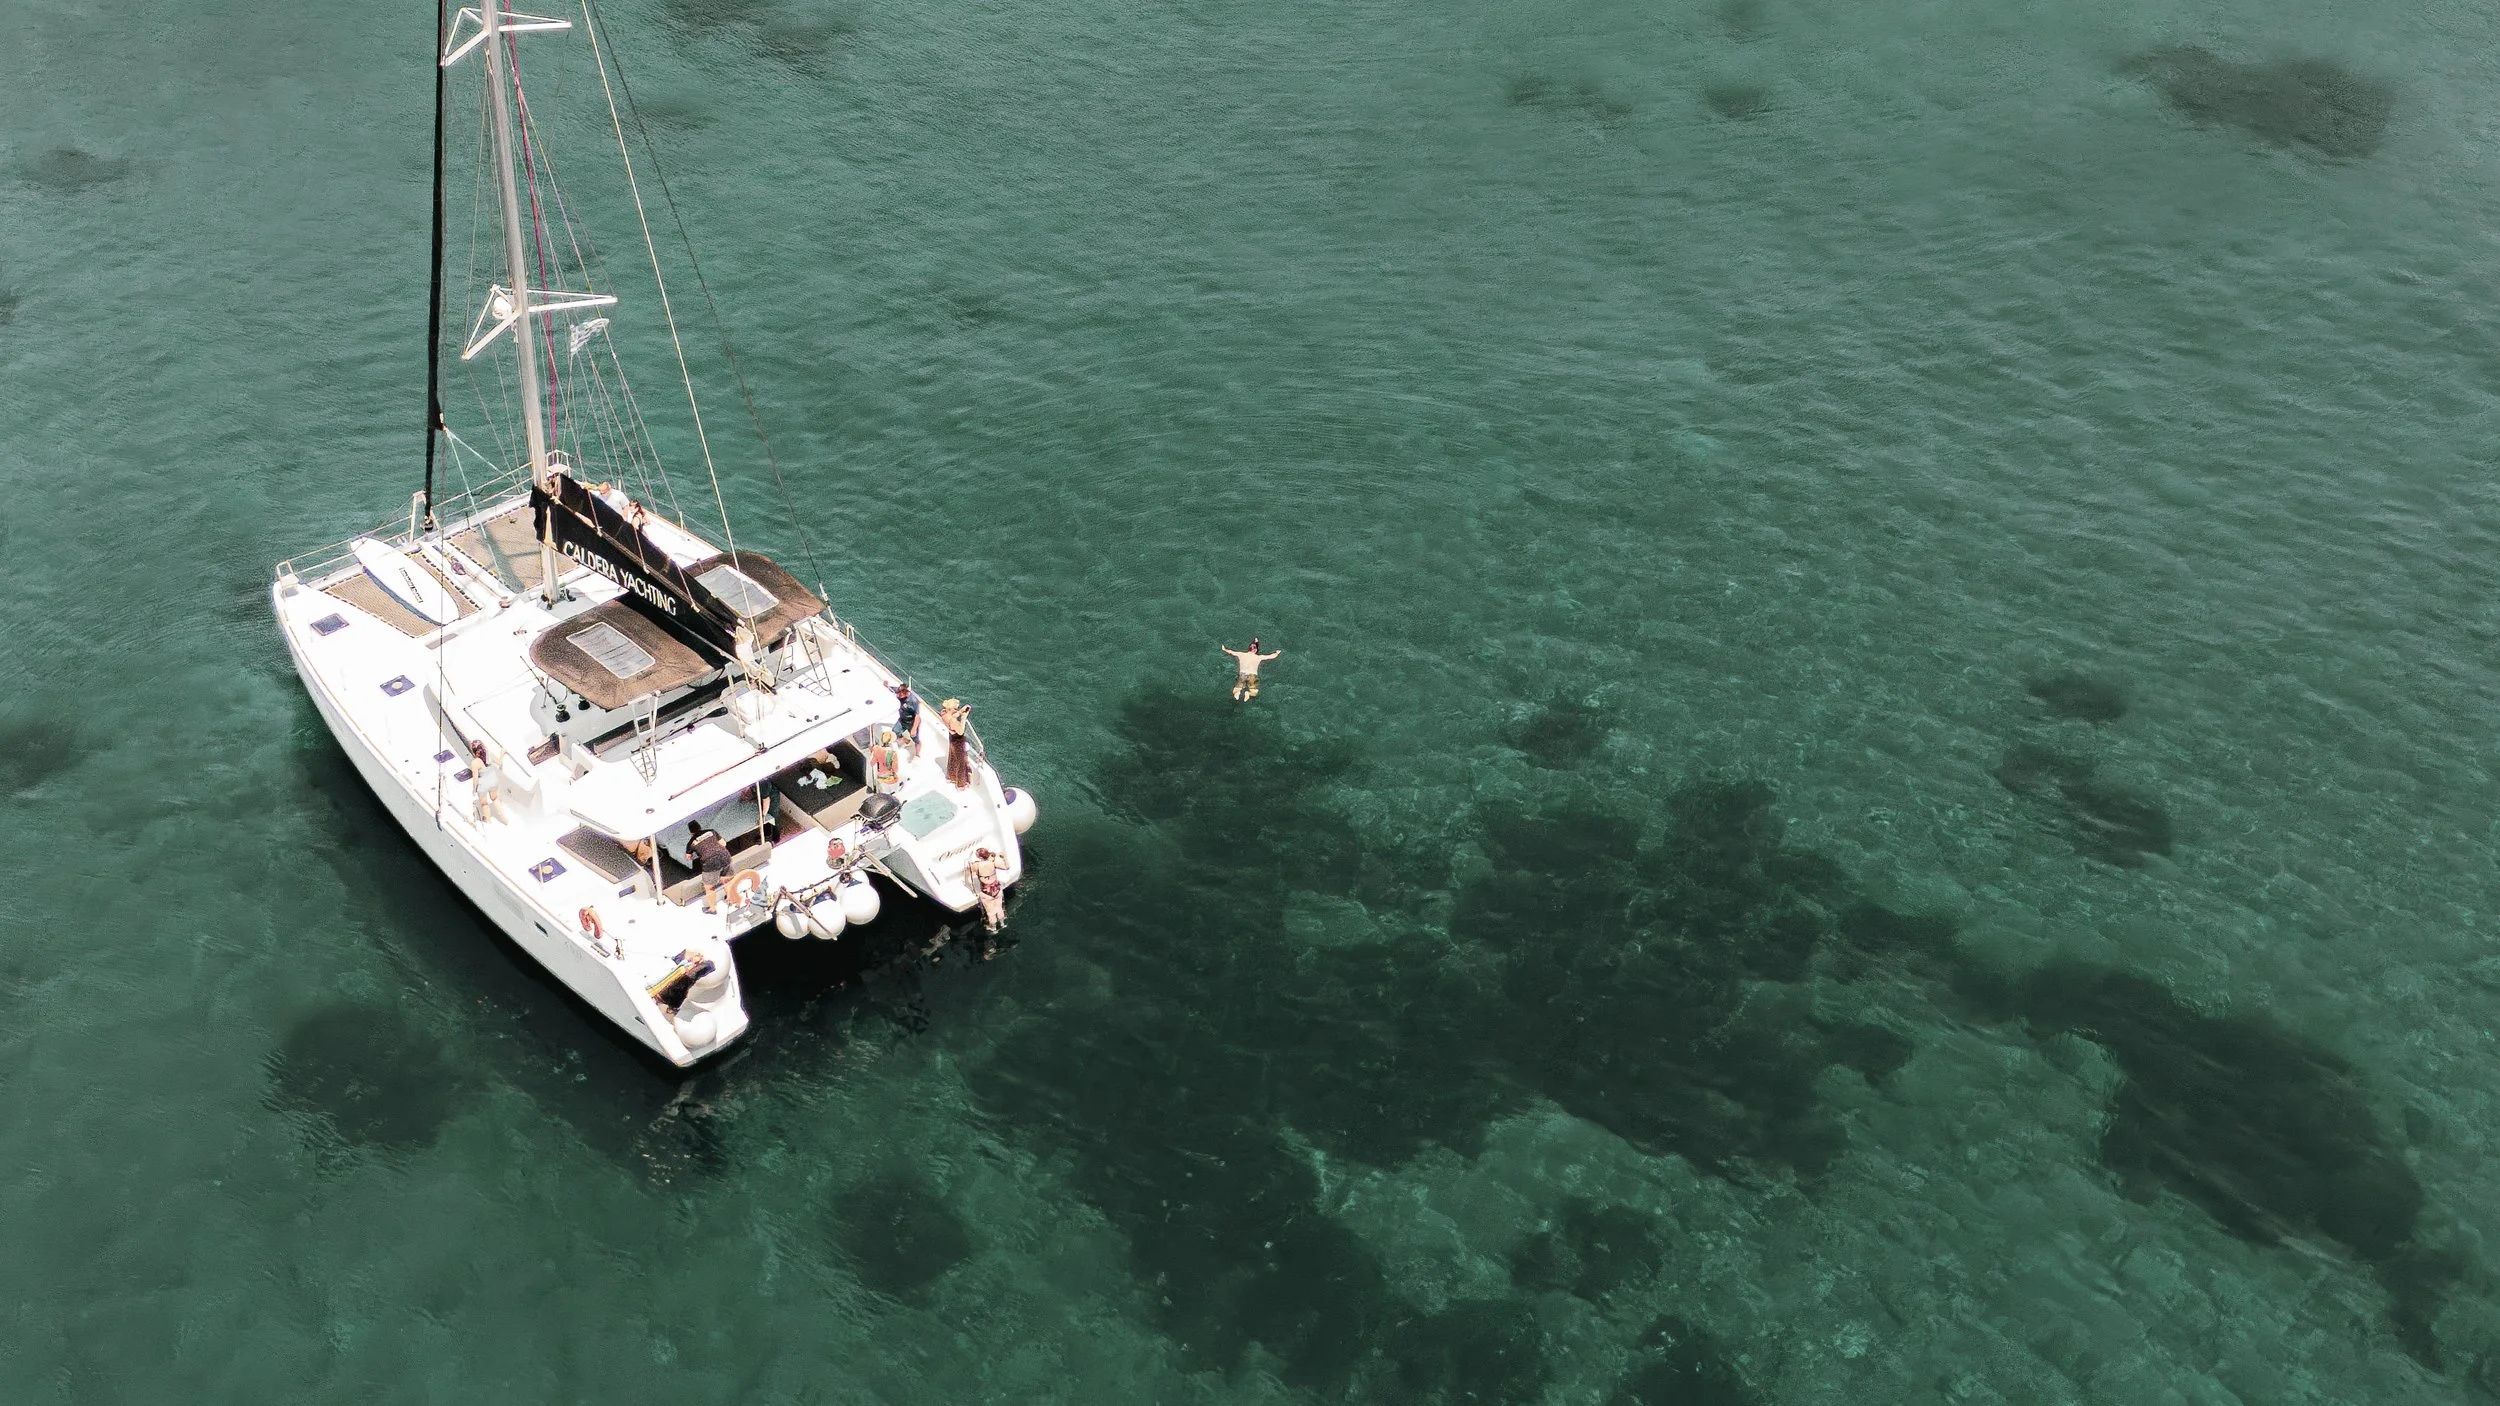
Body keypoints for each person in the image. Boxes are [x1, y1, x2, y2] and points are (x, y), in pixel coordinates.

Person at [688, 819, 735, 913]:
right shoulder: (711, 831)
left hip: (710, 862)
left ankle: (712, 909)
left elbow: (689, 857)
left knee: (709, 887)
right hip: (724, 856)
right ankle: (731, 899)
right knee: (726, 880)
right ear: (700, 827)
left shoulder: (691, 842)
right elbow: (724, 844)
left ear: (691, 833)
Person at [1220, 636, 1282, 702]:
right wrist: (1277, 653)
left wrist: (1224, 649)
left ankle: (1237, 694)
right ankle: (1248, 694)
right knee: (1254, 692)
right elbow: (1271, 656)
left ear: (1249, 649)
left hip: (1243, 674)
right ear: (1256, 650)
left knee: (1236, 690)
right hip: (1252, 675)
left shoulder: (1241, 654)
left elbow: (1231, 652)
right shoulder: (1259, 657)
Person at [967, 848, 1005, 934]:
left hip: (986, 892)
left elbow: (971, 875)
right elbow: (1005, 866)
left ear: (980, 857)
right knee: (999, 909)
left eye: (976, 854)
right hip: (996, 889)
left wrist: (970, 864)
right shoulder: (992, 862)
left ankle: (993, 928)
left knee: (991, 913)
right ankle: (1002, 924)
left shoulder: (976, 865)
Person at [938, 698, 973, 789]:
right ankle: (961, 784)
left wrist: (960, 712)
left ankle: (951, 777)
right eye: (956, 708)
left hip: (952, 737)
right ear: (950, 709)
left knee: (953, 757)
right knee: (961, 761)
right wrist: (964, 717)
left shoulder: (944, 713)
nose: (957, 709)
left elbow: (952, 715)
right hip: (958, 740)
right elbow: (960, 731)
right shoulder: (953, 721)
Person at [866, 726, 903, 793]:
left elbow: (872, 763)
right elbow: (895, 769)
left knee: (884, 792)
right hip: (890, 778)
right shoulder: (893, 753)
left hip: (881, 777)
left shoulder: (877, 749)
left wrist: (873, 752)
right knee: (894, 791)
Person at [891, 683, 922, 756]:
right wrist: (887, 685)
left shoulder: (913, 700)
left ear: (905, 693)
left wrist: (914, 729)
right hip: (902, 720)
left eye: (900, 694)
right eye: (898, 693)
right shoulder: (899, 692)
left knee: (915, 739)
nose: (898, 695)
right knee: (894, 733)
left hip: (911, 722)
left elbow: (917, 716)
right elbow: (892, 688)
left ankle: (917, 754)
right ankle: (905, 740)